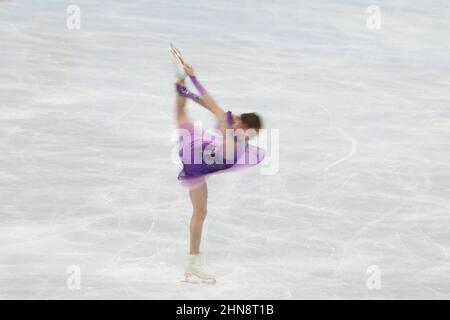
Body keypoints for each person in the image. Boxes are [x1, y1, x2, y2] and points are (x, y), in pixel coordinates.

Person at [173, 60, 265, 282]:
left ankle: (192, 262)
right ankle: (193, 262)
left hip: (201, 156)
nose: (255, 135)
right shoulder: (233, 125)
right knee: (200, 213)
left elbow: (212, 105)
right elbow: (211, 104)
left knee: (200, 213)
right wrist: (191, 86)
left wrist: (190, 87)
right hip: (197, 162)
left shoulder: (234, 127)